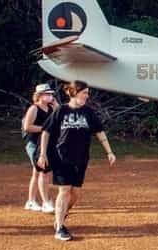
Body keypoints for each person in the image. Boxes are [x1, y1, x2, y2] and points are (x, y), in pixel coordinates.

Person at [37, 81, 116, 241]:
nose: (87, 96)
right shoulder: (61, 110)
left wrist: (109, 151)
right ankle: (60, 228)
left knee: (75, 193)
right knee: (64, 190)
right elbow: (46, 132)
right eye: (84, 92)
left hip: (81, 158)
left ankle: (62, 213)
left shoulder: (88, 112)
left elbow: (99, 132)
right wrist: (43, 154)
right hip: (61, 157)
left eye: (87, 93)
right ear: (74, 93)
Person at [22, 83, 58, 213]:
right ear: (39, 95)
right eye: (47, 94)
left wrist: (56, 106)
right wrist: (45, 129)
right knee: (43, 171)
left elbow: (60, 118)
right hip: (33, 144)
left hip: (45, 144)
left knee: (37, 172)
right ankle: (45, 202)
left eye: (51, 94)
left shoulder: (51, 108)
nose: (50, 96)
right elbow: (27, 127)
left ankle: (31, 201)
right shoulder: (34, 108)